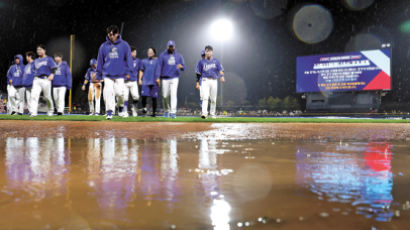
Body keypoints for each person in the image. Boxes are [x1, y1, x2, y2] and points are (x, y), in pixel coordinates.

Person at [96, 25, 133, 120]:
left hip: (120, 74)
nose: (111, 36)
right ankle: (109, 112)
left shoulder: (124, 45)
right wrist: (99, 74)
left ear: (117, 34)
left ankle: (121, 108)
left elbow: (129, 59)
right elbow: (100, 60)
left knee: (119, 93)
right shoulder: (103, 46)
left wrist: (129, 71)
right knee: (109, 92)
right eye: (109, 34)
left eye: (113, 34)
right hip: (107, 74)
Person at [196, 45, 225, 119]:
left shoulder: (216, 61)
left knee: (213, 99)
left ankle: (212, 114)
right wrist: (197, 82)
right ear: (205, 52)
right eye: (206, 51)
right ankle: (204, 113)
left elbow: (220, 70)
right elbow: (198, 73)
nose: (208, 53)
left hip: (214, 81)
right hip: (205, 80)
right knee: (205, 97)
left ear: (212, 52)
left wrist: (222, 77)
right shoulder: (201, 62)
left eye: (209, 51)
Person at [158, 40, 185, 118]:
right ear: (167, 47)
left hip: (174, 78)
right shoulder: (162, 55)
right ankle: (167, 110)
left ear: (174, 47)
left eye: (172, 46)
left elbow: (184, 66)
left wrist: (182, 67)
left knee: (173, 94)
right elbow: (159, 67)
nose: (171, 48)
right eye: (169, 46)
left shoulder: (179, 56)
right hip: (165, 78)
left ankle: (173, 112)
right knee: (165, 95)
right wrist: (157, 77)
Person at [30, 44, 57, 117]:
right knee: (34, 95)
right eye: (37, 50)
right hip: (37, 79)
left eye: (40, 49)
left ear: (44, 50)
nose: (38, 51)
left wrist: (52, 74)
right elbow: (33, 70)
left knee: (47, 97)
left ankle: (51, 111)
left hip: (46, 79)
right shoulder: (36, 61)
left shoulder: (49, 59)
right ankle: (33, 113)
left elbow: (54, 68)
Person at [139, 47, 160, 117]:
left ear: (154, 53)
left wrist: (158, 79)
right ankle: (144, 110)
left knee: (154, 98)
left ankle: (153, 114)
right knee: (144, 97)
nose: (149, 52)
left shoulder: (157, 61)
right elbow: (141, 70)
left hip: (154, 82)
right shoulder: (143, 61)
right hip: (145, 81)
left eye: (151, 51)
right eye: (148, 51)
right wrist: (139, 79)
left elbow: (159, 70)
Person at [121, 46, 141, 117]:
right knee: (125, 97)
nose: (134, 53)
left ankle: (134, 109)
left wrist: (139, 79)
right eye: (133, 52)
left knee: (136, 96)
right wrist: (125, 75)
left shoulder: (138, 60)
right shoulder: (124, 60)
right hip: (125, 82)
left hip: (133, 81)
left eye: (135, 52)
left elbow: (140, 69)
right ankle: (125, 111)